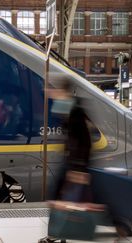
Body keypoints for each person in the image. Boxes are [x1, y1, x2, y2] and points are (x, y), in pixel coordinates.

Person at [39, 81, 95, 243]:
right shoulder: (68, 108)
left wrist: (79, 168)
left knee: (59, 197)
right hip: (70, 161)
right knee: (60, 198)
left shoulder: (75, 111)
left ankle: (57, 234)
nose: (49, 93)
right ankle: (60, 234)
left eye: (52, 90)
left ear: (62, 92)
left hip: (74, 164)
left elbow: (85, 142)